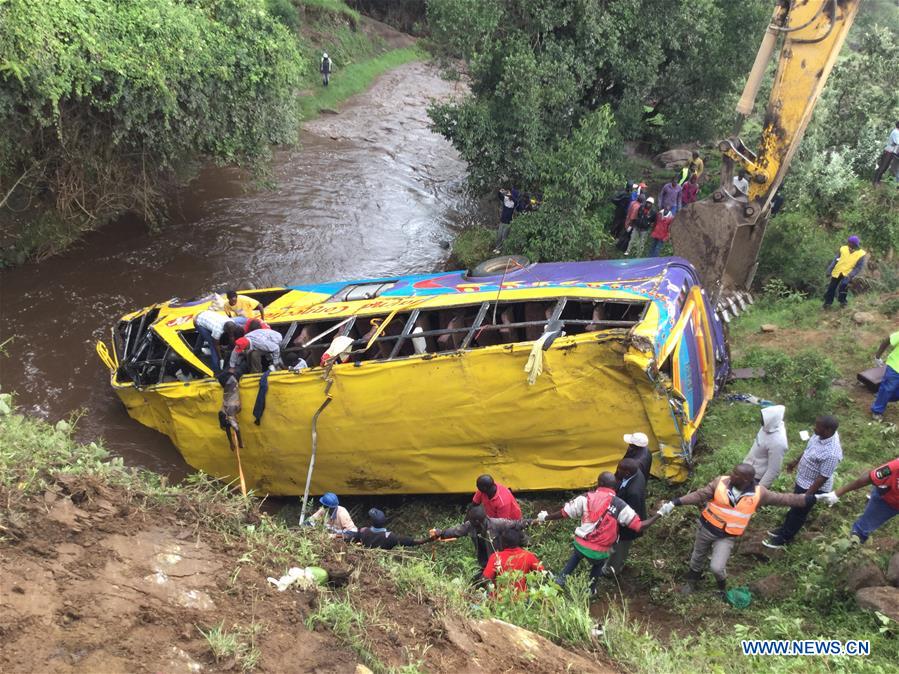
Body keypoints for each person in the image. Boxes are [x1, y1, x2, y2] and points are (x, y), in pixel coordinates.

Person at [658, 463, 834, 598]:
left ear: (746, 480)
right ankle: (691, 581)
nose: (731, 475)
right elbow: (700, 494)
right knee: (697, 556)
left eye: (736, 474)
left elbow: (787, 499)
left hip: (727, 537)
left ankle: (721, 590)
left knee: (717, 567)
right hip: (706, 528)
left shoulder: (759, 493)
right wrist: (675, 502)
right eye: (733, 472)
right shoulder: (720, 482)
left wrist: (816, 498)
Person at [538, 472, 657, 593]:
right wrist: (660, 514)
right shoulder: (620, 505)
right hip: (600, 552)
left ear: (599, 483)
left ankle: (560, 579)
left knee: (576, 557)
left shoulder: (585, 497)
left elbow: (564, 513)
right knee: (598, 566)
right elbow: (639, 526)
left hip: (581, 545)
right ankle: (590, 590)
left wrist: (545, 517)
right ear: (614, 486)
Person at [763, 415, 842, 549]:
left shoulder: (832, 453)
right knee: (794, 508)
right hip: (803, 480)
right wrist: (795, 461)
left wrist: (806, 496)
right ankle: (783, 529)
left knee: (799, 512)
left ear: (828, 430)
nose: (814, 428)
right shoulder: (819, 436)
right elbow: (808, 450)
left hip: (812, 487)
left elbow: (823, 477)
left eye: (817, 426)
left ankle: (784, 539)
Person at [431, 504, 530, 570]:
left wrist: (526, 543)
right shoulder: (470, 526)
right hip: (485, 561)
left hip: (501, 561)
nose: (469, 523)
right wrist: (442, 533)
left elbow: (517, 525)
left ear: (479, 521)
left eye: (472, 521)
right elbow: (456, 531)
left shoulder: (498, 524)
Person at [834, 458, 899, 544]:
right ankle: (850, 547)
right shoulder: (895, 466)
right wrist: (837, 493)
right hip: (887, 500)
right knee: (860, 531)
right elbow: (869, 478)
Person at [602, 458, 647, 577]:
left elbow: (630, 515)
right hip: (625, 520)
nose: (616, 472)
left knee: (619, 548)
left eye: (619, 470)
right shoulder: (637, 473)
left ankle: (611, 571)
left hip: (627, 526)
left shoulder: (633, 492)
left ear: (627, 473)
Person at [482, 528, 545, 594]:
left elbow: (485, 579)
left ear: (503, 543)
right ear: (518, 542)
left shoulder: (495, 557)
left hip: (499, 600)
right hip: (521, 599)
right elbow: (542, 572)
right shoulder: (528, 556)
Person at [742, 405, 788, 488]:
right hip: (747, 467)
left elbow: (773, 470)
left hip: (756, 477)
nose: (761, 420)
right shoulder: (768, 425)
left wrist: (759, 489)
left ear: (771, 421)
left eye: (763, 419)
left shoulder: (778, 443)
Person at [345, 508, 425, 549]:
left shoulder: (363, 531)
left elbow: (350, 538)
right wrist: (431, 538)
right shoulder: (390, 537)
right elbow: (411, 542)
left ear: (371, 521)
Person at [823, 236, 867, 309]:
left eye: (850, 242)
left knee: (843, 286)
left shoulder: (861, 254)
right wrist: (829, 270)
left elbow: (858, 267)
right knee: (831, 287)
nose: (848, 243)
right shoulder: (843, 249)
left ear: (855, 244)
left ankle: (843, 302)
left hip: (848, 273)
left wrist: (851, 274)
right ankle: (827, 303)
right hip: (837, 271)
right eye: (848, 242)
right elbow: (835, 260)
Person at [872, 331, 899, 421]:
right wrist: (878, 356)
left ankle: (881, 396)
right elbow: (888, 339)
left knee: (890, 393)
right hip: (895, 367)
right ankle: (877, 411)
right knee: (888, 389)